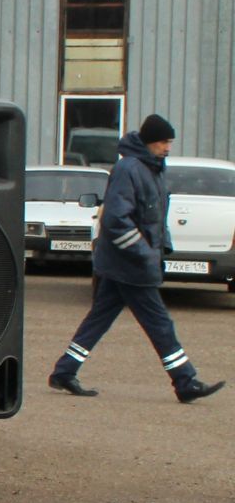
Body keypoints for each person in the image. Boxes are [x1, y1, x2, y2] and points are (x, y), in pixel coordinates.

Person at [47, 114, 223, 403]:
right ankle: (185, 380)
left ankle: (64, 371)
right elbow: (117, 220)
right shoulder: (129, 169)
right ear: (149, 142)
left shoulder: (152, 168)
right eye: (164, 142)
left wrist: (162, 247)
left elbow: (156, 214)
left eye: (170, 142)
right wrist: (144, 254)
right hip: (129, 265)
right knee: (159, 323)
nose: (168, 148)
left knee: (99, 319)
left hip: (128, 264)